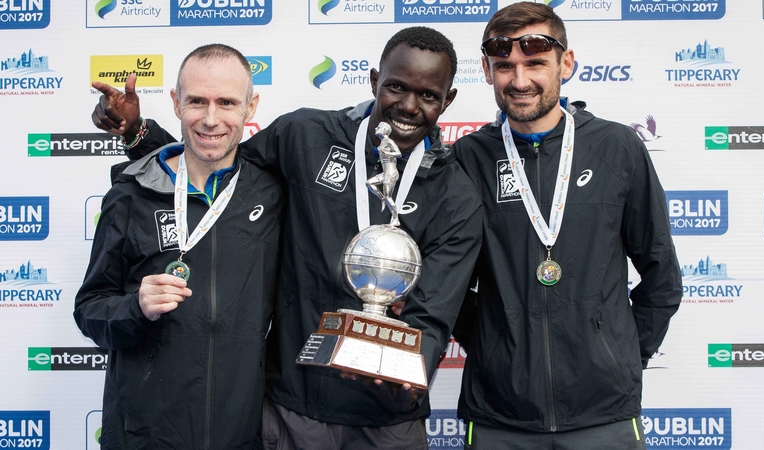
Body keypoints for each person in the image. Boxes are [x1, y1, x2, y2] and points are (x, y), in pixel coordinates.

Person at [91, 27, 483, 450]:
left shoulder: (457, 195)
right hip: (295, 410)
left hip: (387, 422)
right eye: (396, 87)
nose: (408, 106)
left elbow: (434, 313)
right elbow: (213, 175)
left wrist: (402, 375)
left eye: (428, 95)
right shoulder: (305, 135)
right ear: (374, 82)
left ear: (449, 100)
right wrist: (139, 136)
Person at [452, 3, 682, 449]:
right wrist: (495, 348)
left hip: (604, 415)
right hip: (501, 417)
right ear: (486, 69)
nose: (520, 81)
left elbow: (662, 274)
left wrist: (619, 357)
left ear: (566, 63)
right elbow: (447, 281)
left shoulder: (616, 148)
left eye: (535, 63)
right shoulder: (468, 159)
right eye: (505, 67)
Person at [74, 44, 283, 449]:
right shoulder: (130, 195)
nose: (210, 118)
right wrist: (135, 307)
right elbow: (89, 310)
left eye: (226, 102)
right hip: (145, 435)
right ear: (174, 103)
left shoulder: (273, 193)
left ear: (251, 106)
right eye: (196, 101)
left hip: (240, 434)